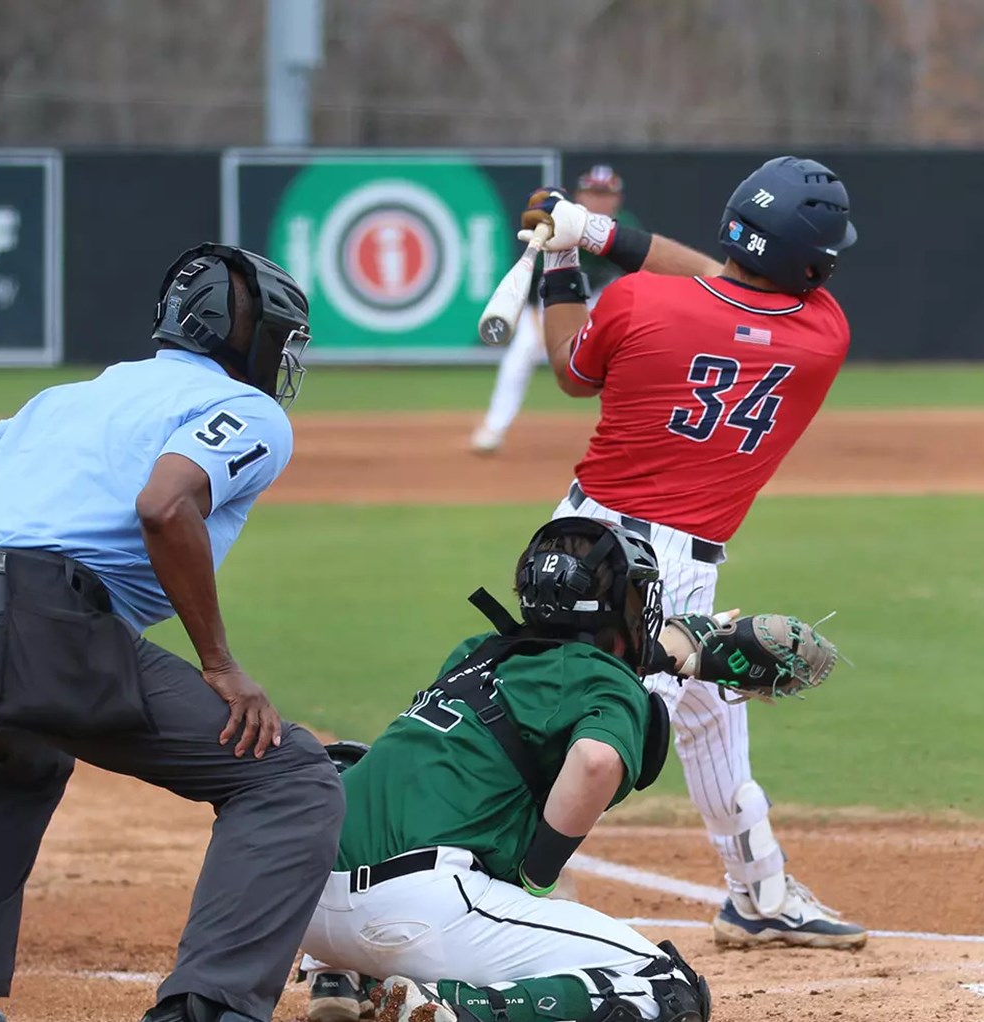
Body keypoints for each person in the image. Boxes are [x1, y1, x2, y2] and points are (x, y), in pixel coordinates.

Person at [0, 244, 345, 1022]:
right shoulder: (254, 412)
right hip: (27, 622)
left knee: (25, 754)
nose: (286, 353)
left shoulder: (72, 394)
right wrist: (220, 665)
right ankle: (206, 1008)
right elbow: (165, 505)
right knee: (288, 776)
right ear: (244, 334)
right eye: (282, 334)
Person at [516, 156, 866, 949]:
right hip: (667, 571)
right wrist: (596, 231)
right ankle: (475, 883)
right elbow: (728, 282)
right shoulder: (823, 335)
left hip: (574, 538)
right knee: (596, 737)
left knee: (709, 717)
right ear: (808, 260)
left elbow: (573, 368)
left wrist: (567, 256)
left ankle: (758, 892)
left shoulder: (641, 301)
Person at [297, 516, 836, 1022]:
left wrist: (669, 653)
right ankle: (457, 1008)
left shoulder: (475, 652)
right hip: (418, 916)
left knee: (363, 766)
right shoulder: (607, 685)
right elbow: (595, 758)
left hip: (310, 911)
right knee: (665, 988)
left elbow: (554, 676)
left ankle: (341, 977)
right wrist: (538, 875)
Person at [471, 164, 643, 455]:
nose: (600, 199)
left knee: (629, 354)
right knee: (524, 348)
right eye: (593, 192)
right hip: (550, 294)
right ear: (580, 196)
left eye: (606, 193)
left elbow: (636, 278)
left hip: (601, 297)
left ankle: (633, 432)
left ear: (618, 199)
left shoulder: (625, 226)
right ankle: (494, 428)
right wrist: (540, 324)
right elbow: (532, 279)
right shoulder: (560, 222)